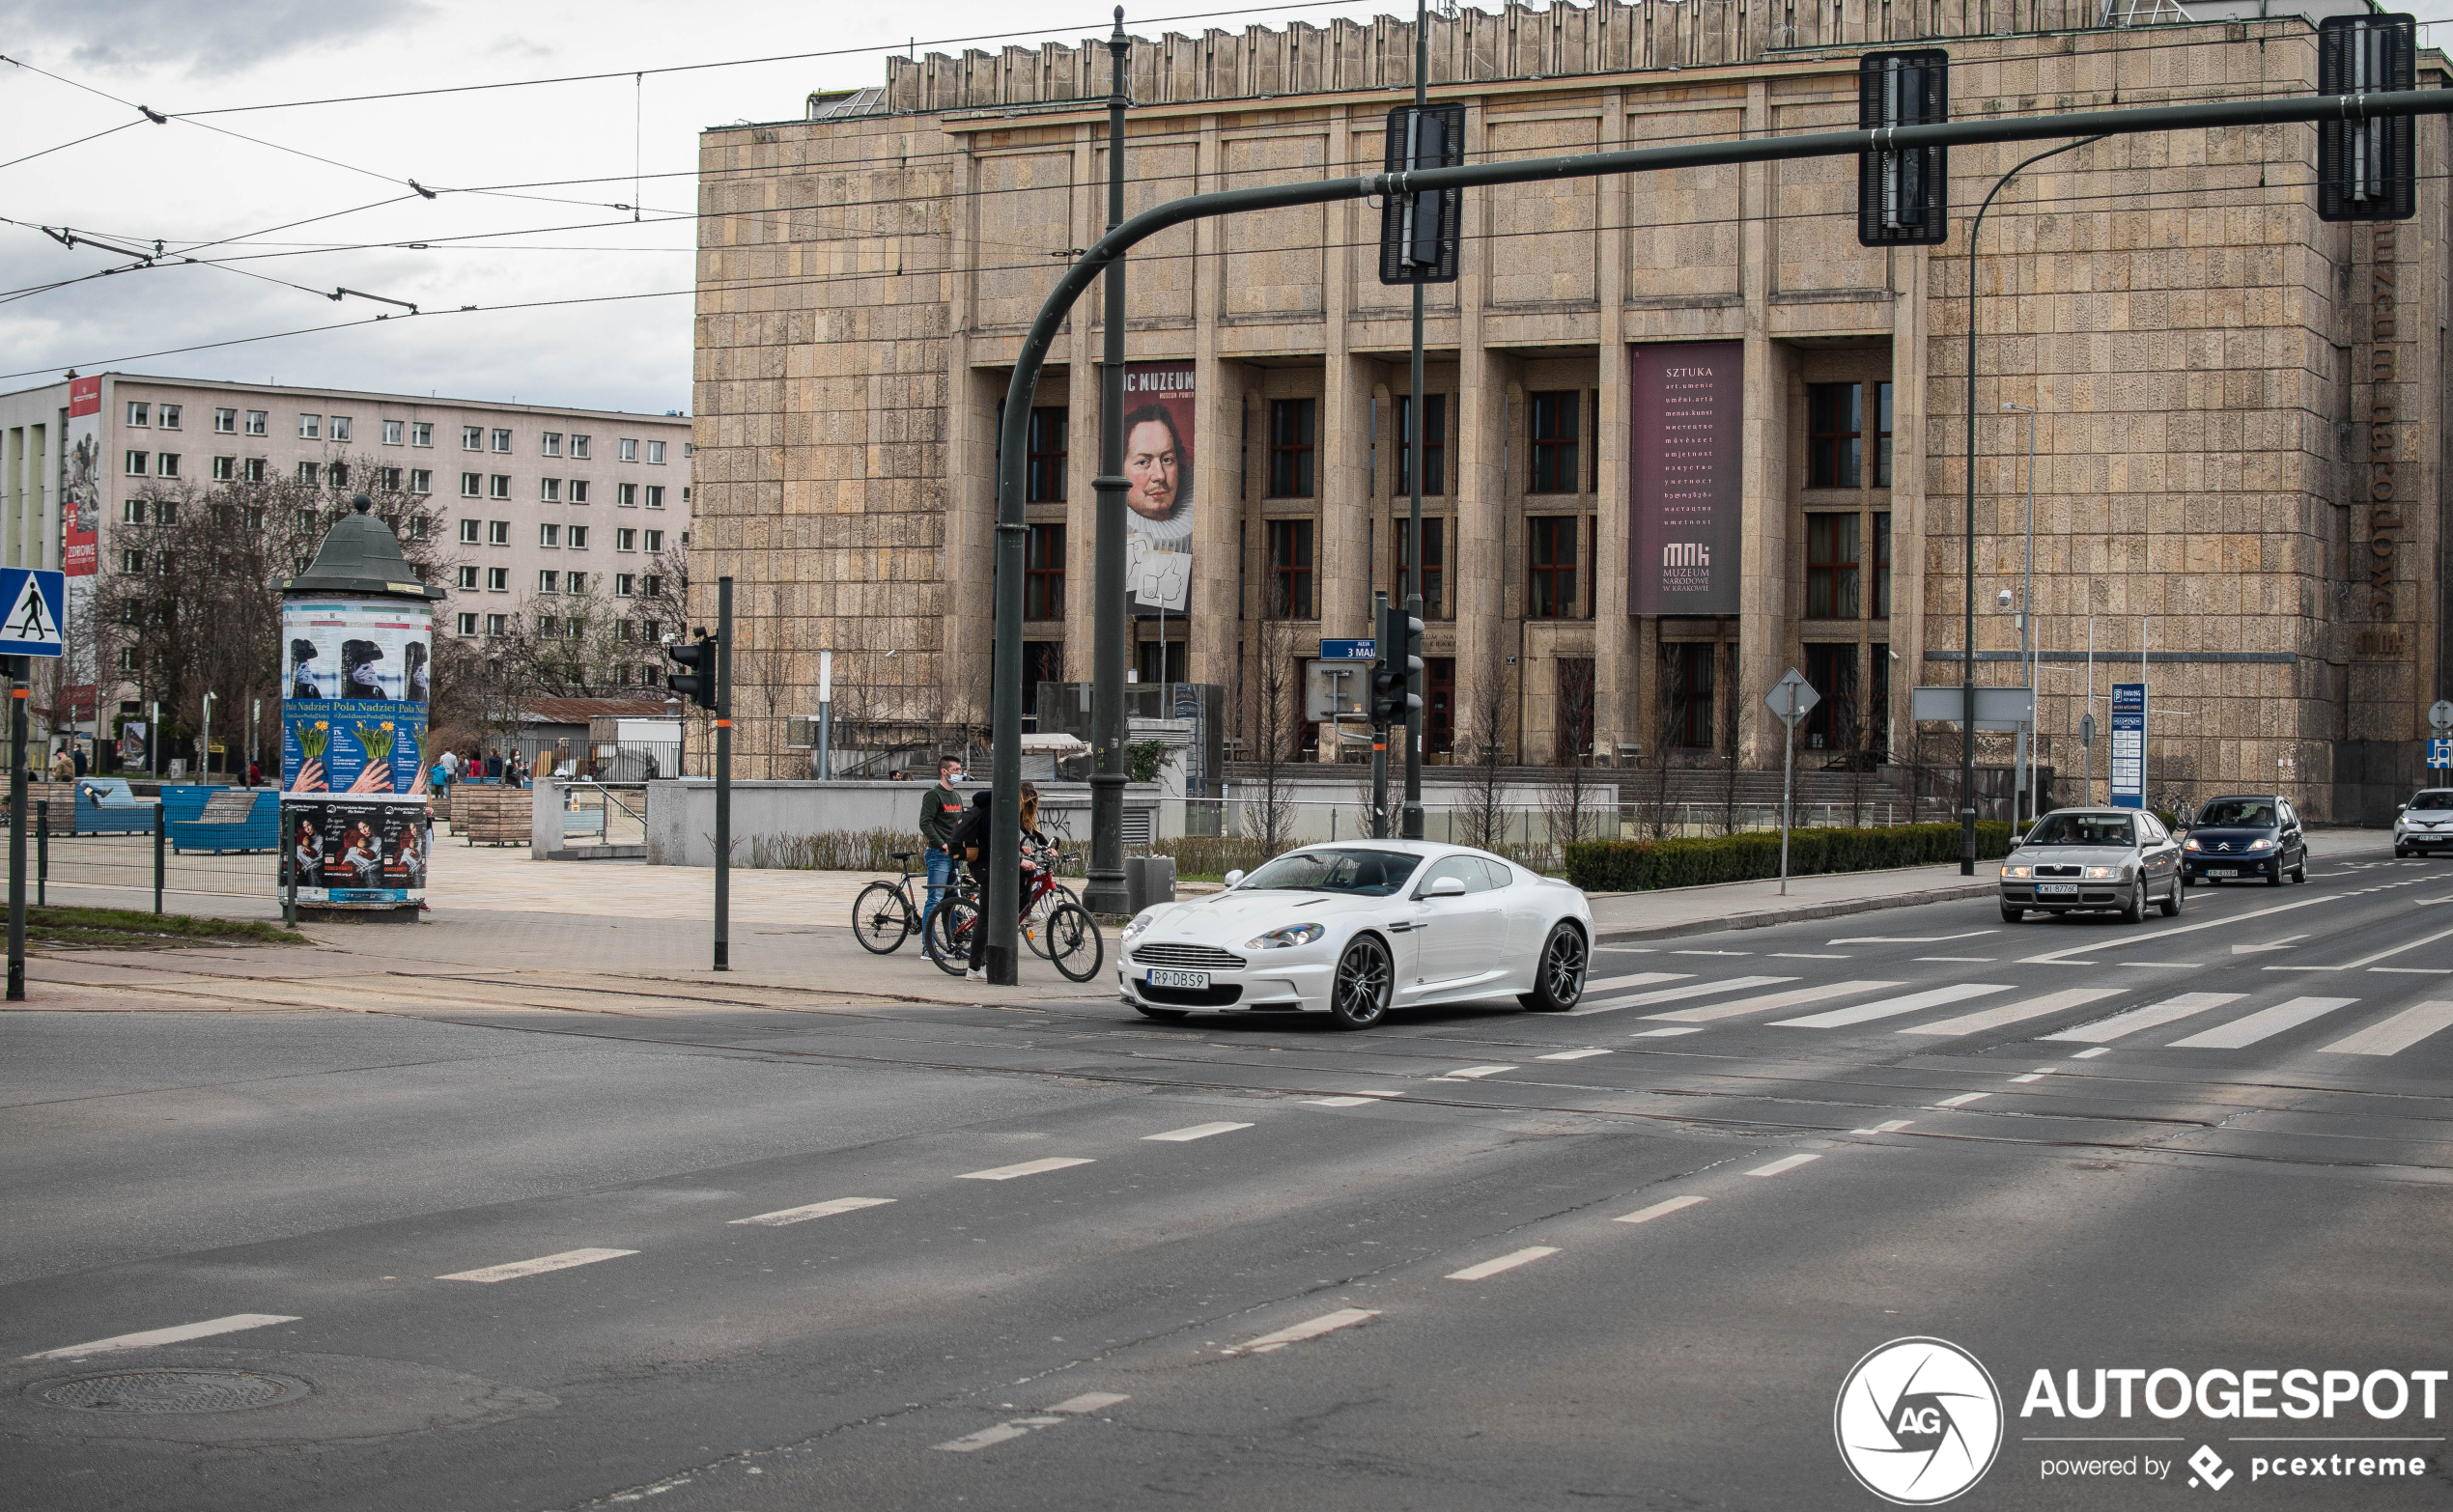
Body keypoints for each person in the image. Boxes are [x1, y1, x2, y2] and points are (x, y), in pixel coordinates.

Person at [945, 788, 996, 981]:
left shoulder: (982, 812)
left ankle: (981, 963)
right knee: (985, 917)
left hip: (982, 866)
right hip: (985, 868)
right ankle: (974, 968)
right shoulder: (989, 814)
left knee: (988, 916)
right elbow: (992, 843)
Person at [917, 754, 968, 949]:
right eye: (955, 770)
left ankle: (953, 944)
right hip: (939, 855)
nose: (959, 773)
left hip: (955, 855)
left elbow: (960, 824)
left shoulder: (956, 796)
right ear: (943, 771)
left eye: (959, 770)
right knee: (935, 899)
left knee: (951, 901)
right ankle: (928, 947)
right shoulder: (934, 795)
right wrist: (941, 844)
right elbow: (925, 823)